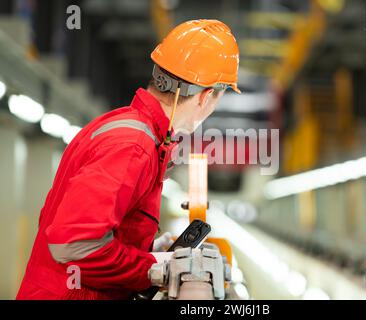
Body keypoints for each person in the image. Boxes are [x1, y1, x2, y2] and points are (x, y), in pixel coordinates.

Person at [16, 19, 240, 300]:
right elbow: (73, 244)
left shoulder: (130, 129)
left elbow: (100, 228)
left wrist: (151, 251)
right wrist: (155, 268)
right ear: (206, 97)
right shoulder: (133, 145)